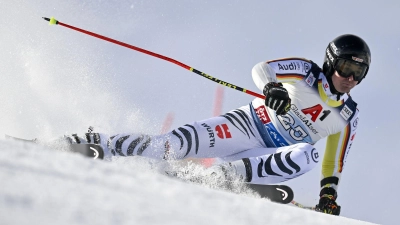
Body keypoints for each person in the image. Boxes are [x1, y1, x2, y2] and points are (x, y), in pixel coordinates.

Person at [68, 34, 371, 215]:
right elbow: (263, 69)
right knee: (169, 145)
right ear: (332, 62)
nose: (351, 79)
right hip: (245, 125)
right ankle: (92, 142)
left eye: (359, 72)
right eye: (346, 67)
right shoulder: (305, 71)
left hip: (265, 157)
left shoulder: (349, 116)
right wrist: (271, 88)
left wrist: (327, 196)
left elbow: (334, 160)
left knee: (308, 154)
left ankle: (218, 177)